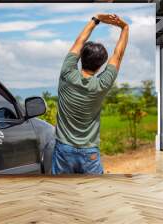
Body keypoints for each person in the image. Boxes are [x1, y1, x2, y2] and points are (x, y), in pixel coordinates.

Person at [52, 14, 129, 174]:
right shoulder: (102, 84)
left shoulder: (67, 74)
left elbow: (78, 42)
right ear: (101, 66)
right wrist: (124, 27)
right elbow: (118, 55)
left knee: (59, 193)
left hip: (63, 150)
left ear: (80, 58)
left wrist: (96, 19)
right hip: (90, 153)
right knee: (94, 194)